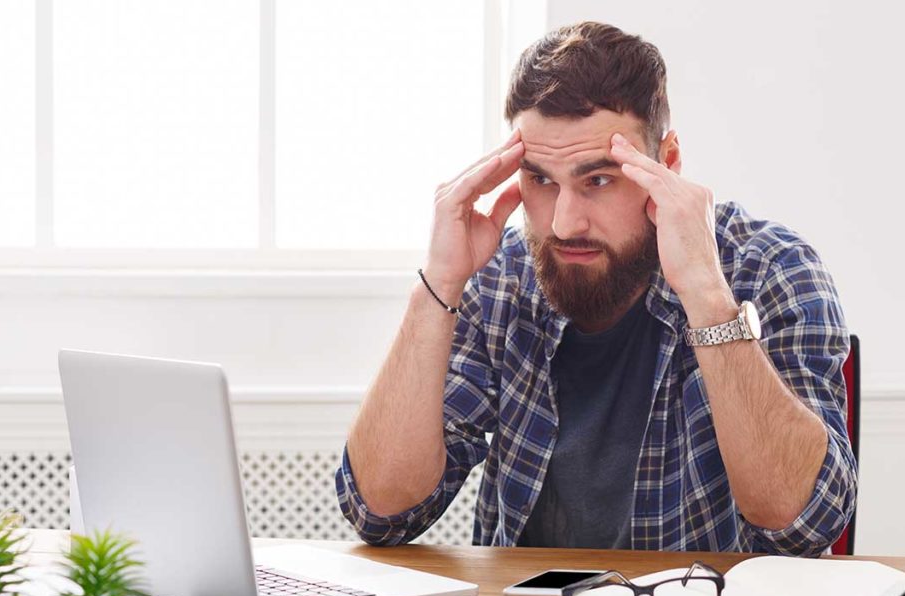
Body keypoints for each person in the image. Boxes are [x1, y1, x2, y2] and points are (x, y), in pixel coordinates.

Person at [336, 21, 856, 556]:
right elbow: (380, 513)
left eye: (599, 180)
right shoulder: (499, 280)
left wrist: (705, 295)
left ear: (667, 163)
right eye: (539, 179)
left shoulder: (768, 267)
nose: (564, 223)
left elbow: (804, 523)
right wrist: (437, 285)